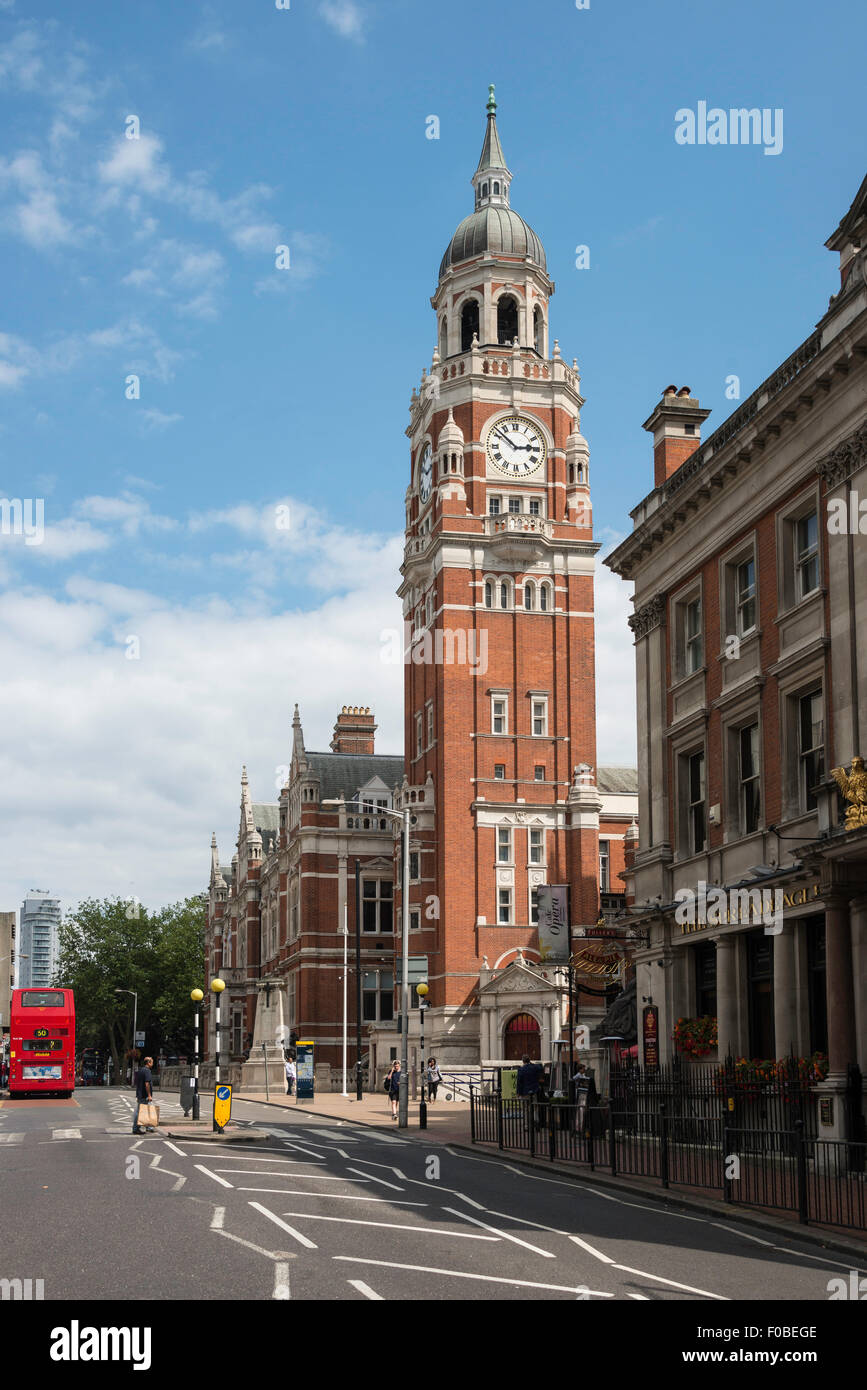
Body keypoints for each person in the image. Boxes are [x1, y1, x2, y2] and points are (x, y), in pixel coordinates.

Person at [132, 1055, 155, 1134]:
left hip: (140, 1094)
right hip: (144, 1095)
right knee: (139, 1112)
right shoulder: (147, 1071)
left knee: (146, 1110)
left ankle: (149, 1127)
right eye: (152, 1062)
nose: (153, 1064)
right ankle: (135, 1128)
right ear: (148, 1063)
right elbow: (147, 1084)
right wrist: (149, 1095)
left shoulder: (141, 1070)